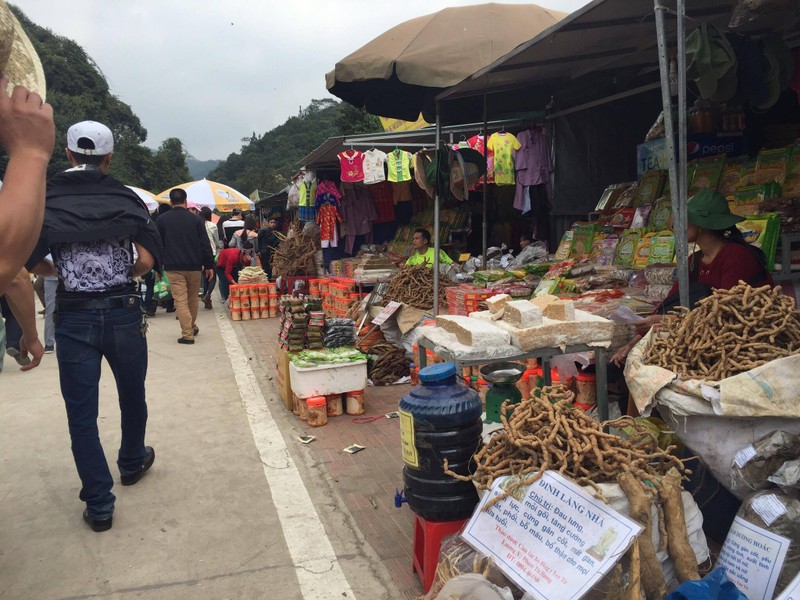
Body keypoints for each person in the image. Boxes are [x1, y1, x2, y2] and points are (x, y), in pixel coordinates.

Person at [26, 120, 163, 532]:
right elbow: (147, 259)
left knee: (82, 413)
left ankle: (100, 504)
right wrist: (124, 274)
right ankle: (132, 460)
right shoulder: (126, 198)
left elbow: (31, 260)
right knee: (131, 393)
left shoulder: (45, 200)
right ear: (108, 158)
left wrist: (65, 275)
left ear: (67, 154)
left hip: (73, 315)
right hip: (123, 309)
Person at [611, 189, 773, 369]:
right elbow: (670, 304)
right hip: (705, 335)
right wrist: (633, 343)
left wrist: (664, 321)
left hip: (742, 340)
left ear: (702, 224)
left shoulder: (736, 256)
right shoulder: (693, 261)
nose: (676, 226)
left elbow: (724, 315)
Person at [155, 188, 214, 344]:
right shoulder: (196, 220)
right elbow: (205, 245)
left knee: (180, 300)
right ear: (185, 201)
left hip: (173, 266)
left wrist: (157, 266)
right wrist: (209, 265)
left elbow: (157, 245)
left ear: (170, 202)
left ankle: (188, 333)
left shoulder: (161, 220)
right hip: (194, 266)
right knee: (192, 299)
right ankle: (191, 326)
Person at [200, 206, 221, 309]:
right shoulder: (212, 226)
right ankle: (208, 294)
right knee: (213, 276)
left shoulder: (197, 225)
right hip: (211, 253)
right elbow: (217, 242)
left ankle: (207, 301)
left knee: (204, 277)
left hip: (200, 254)